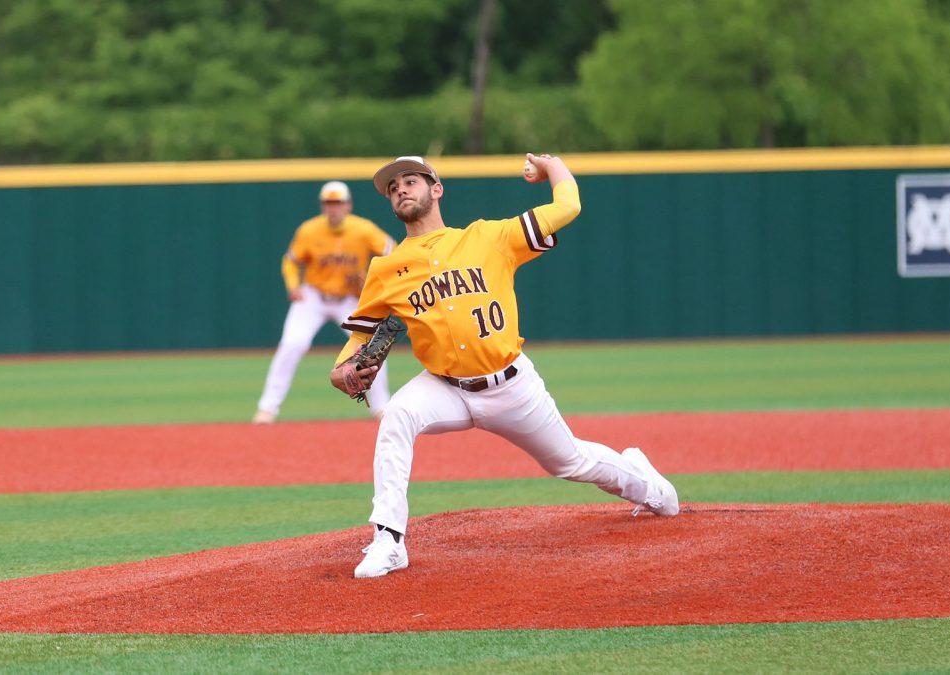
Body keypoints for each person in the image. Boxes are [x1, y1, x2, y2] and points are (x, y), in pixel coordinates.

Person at [330, 154, 680, 579]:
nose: (400, 189)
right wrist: (340, 369)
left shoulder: (488, 237)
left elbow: (567, 207)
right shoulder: (386, 269)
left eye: (410, 181)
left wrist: (553, 168)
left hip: (510, 385)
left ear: (436, 189)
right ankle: (388, 540)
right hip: (444, 387)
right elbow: (361, 337)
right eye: (392, 187)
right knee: (397, 416)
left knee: (570, 463)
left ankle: (651, 487)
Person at [254, 181, 394, 424]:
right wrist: (293, 286)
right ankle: (267, 409)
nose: (333, 208)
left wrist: (373, 277)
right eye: (329, 203)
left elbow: (393, 253)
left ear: (348, 205)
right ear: (322, 206)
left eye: (338, 202)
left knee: (371, 348)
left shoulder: (364, 229)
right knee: (292, 344)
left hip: (349, 299)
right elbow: (290, 261)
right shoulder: (309, 230)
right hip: (314, 297)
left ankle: (381, 408)